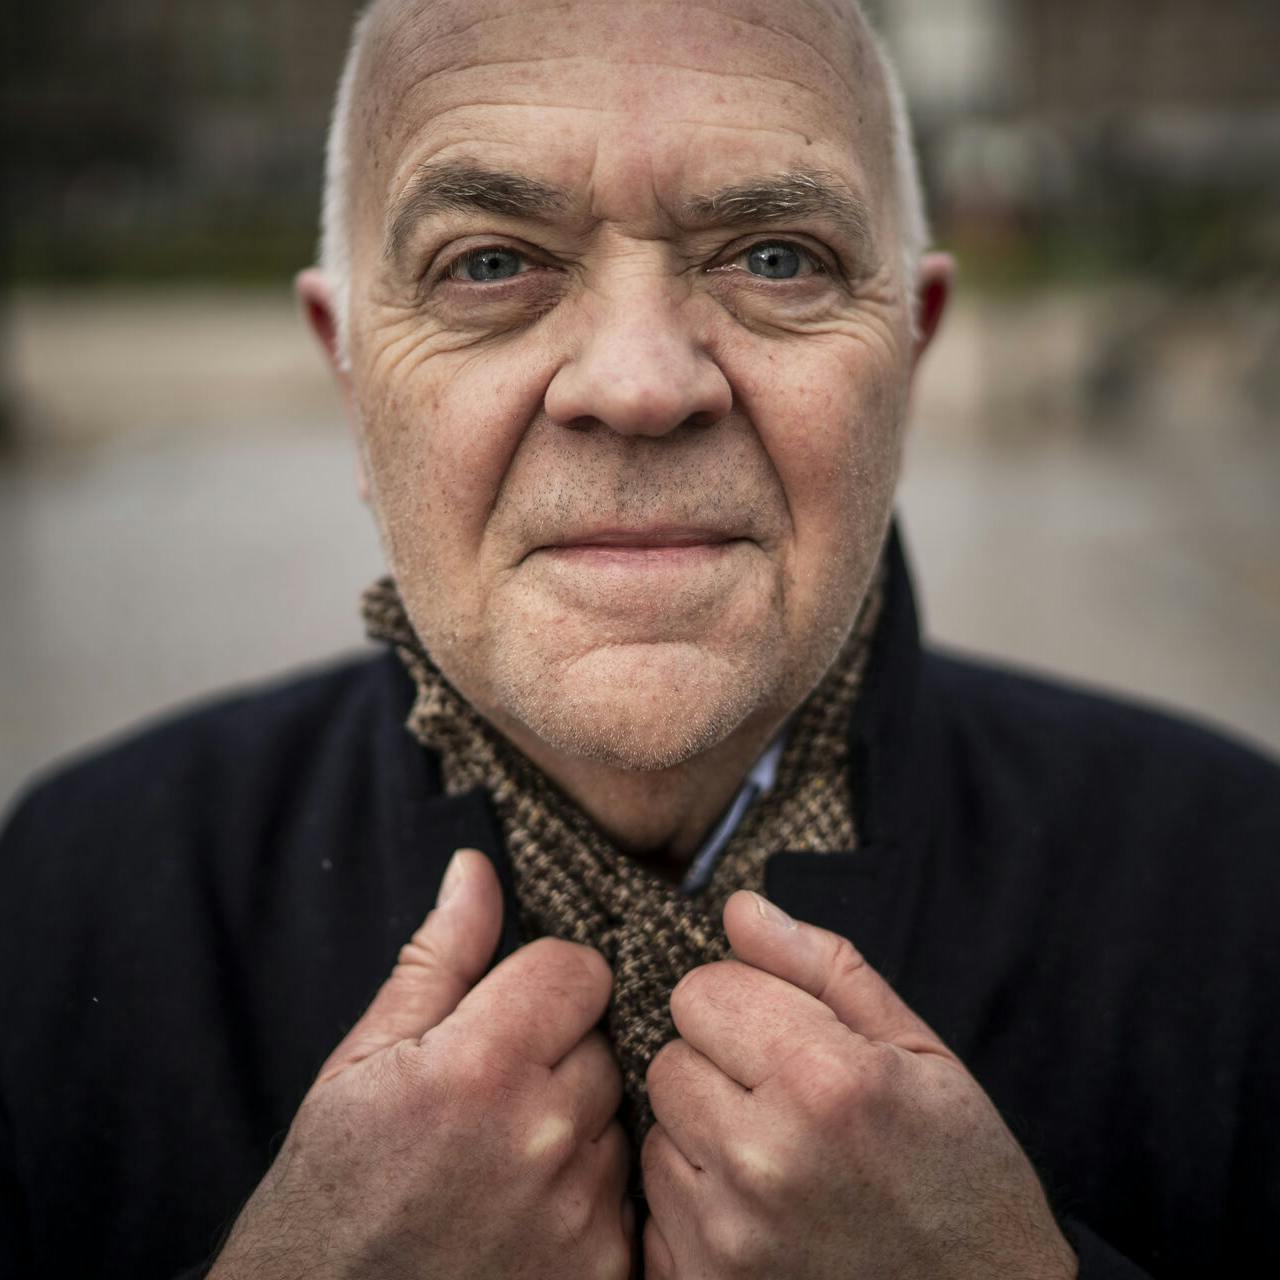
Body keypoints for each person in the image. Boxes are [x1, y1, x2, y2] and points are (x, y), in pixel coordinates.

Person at [1, 0, 1276, 1275]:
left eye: (774, 257)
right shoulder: (64, 910)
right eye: (489, 262)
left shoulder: (1236, 896)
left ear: (910, 351)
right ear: (350, 375)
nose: (639, 382)